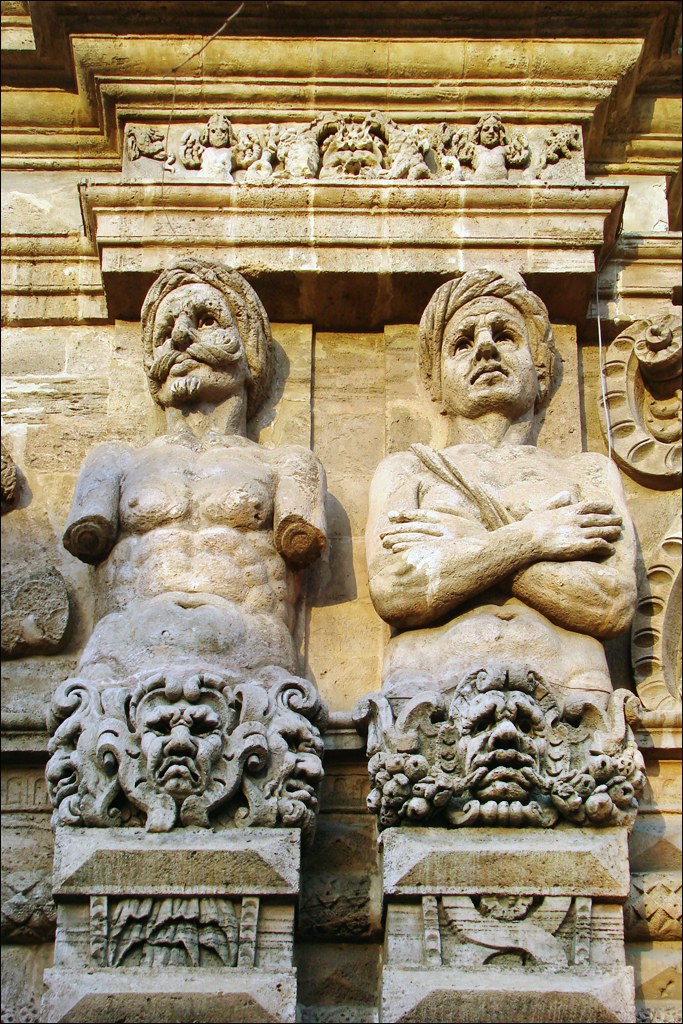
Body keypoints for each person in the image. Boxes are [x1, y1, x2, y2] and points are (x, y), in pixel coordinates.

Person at [365, 268, 637, 713]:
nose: (485, 347)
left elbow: (611, 604)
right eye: (462, 342)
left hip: (575, 704)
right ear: (436, 383)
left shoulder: (587, 473)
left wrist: (460, 546)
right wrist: (535, 537)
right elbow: (398, 591)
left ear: (541, 371)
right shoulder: (407, 470)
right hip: (427, 700)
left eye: (505, 335)